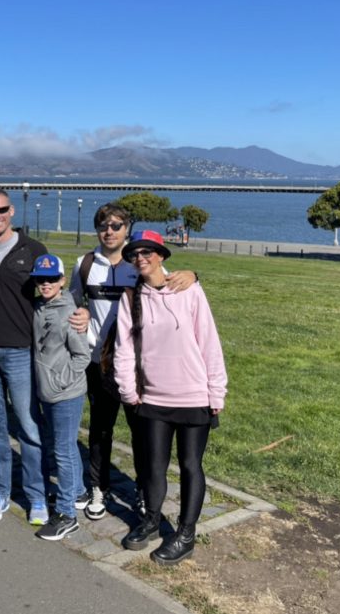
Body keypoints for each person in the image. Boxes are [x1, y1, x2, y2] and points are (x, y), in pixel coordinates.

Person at [69, 204, 196, 536]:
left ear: (127, 229)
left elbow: (169, 283)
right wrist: (78, 314)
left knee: (143, 435)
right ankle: (99, 487)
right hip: (98, 363)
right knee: (99, 431)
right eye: (102, 225)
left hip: (138, 368)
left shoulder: (137, 263)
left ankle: (144, 492)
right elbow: (71, 300)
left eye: (116, 225)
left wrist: (196, 274)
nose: (108, 231)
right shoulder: (84, 265)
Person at [115, 230, 227, 565]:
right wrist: (129, 390)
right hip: (153, 396)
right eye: (135, 253)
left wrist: (215, 390)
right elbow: (125, 349)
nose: (141, 258)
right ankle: (151, 519)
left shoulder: (189, 289)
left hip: (193, 395)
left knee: (190, 464)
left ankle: (185, 534)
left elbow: (209, 341)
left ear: (162, 256)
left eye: (148, 252)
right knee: (153, 466)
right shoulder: (130, 297)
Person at [0, 187, 51, 524]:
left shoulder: (33, 250)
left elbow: (52, 292)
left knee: (29, 427)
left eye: (2, 210)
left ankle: (37, 496)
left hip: (21, 351)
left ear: (12, 211)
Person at [29, 254, 90, 541]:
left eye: (52, 278)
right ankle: (77, 491)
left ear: (62, 280)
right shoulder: (39, 307)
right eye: (41, 279)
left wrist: (60, 380)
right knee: (64, 445)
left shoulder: (69, 312)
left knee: (62, 451)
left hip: (66, 393)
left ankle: (67, 514)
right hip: (47, 392)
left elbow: (82, 355)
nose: (46, 284)